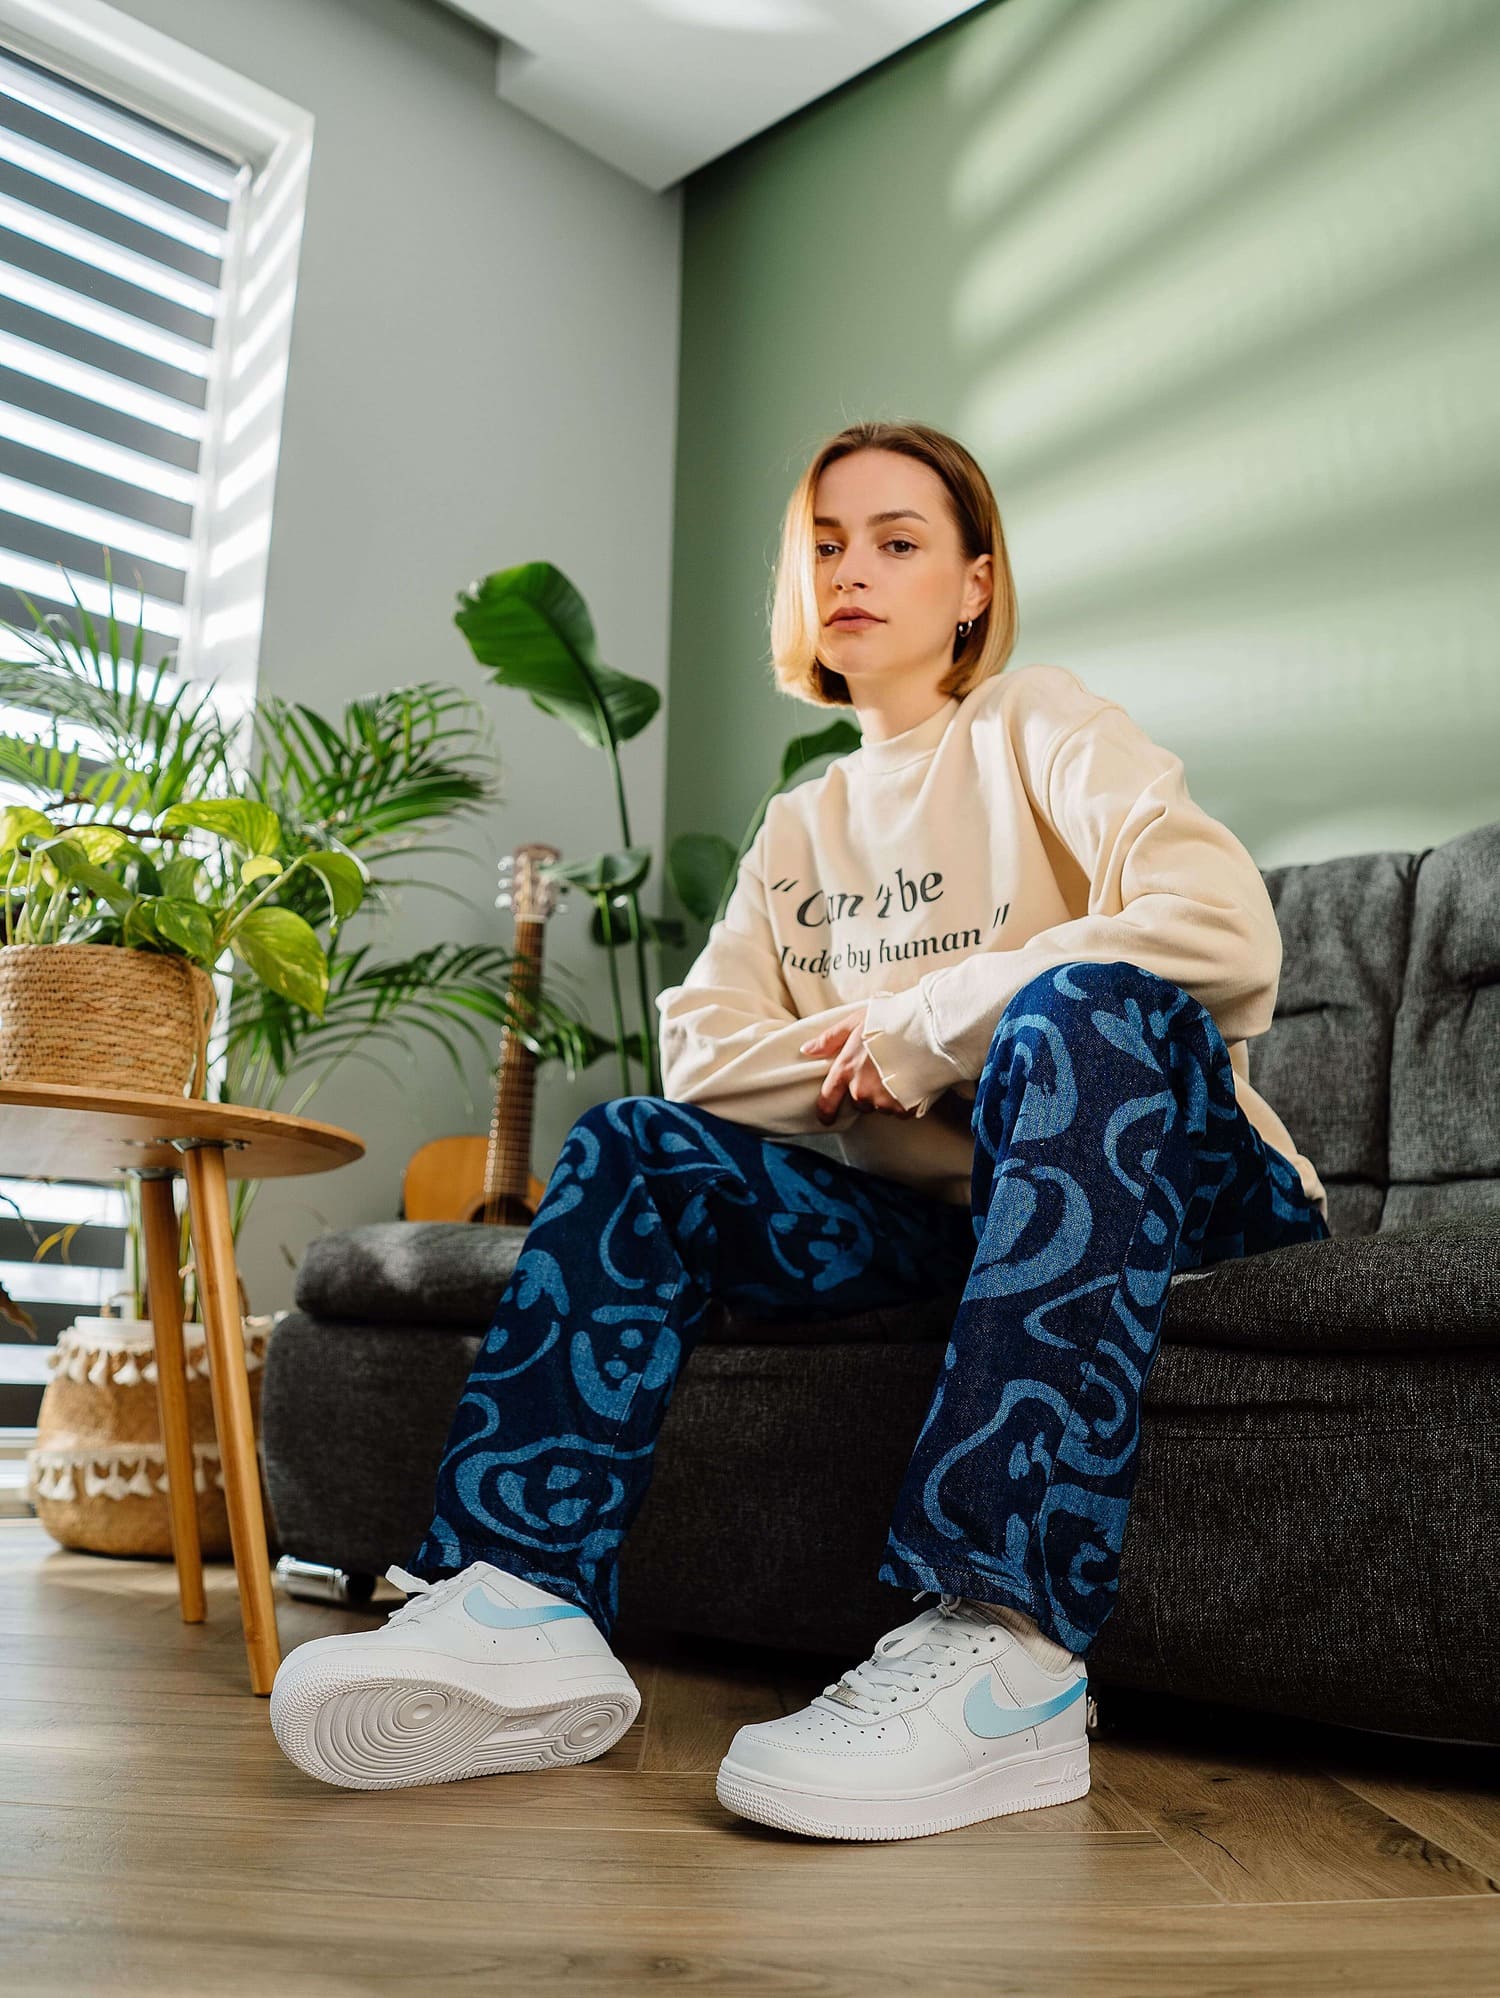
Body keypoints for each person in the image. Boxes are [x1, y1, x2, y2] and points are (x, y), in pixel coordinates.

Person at [269, 420, 1330, 1841]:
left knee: (1079, 1009)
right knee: (638, 1144)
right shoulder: (798, 828)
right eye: (826, 543)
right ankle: (520, 1600)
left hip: (1192, 1190)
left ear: (971, 582)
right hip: (947, 1228)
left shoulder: (1039, 725)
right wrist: (891, 1060)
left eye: (898, 540)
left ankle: (1010, 1652)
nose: (853, 569)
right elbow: (703, 1053)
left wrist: (936, 1023)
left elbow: (1218, 932)